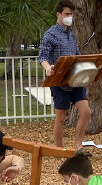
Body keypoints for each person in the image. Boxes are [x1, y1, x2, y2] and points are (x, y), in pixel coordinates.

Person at [39, 0, 91, 154]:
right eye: (67, 14)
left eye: (71, 14)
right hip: (59, 82)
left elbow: (76, 54)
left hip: (75, 79)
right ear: (59, 15)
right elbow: (42, 56)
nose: (70, 17)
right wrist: (48, 68)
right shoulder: (50, 34)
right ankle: (59, 149)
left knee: (86, 111)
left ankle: (78, 146)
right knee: (61, 117)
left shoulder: (71, 33)